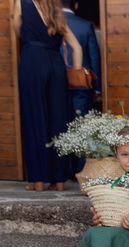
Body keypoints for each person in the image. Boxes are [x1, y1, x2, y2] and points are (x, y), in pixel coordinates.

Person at [13, 0, 82, 192]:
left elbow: (17, 30)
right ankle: (58, 180)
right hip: (56, 66)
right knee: (57, 121)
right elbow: (77, 47)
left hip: (32, 61)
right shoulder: (56, 12)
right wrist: (76, 72)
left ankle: (37, 180)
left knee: (34, 118)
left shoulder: (21, 3)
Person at [60, 0, 101, 175]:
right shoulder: (85, 26)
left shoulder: (48, 23)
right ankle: (81, 170)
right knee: (82, 126)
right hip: (81, 86)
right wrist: (98, 89)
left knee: (60, 125)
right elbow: (94, 58)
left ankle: (63, 170)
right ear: (75, 4)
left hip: (56, 84)